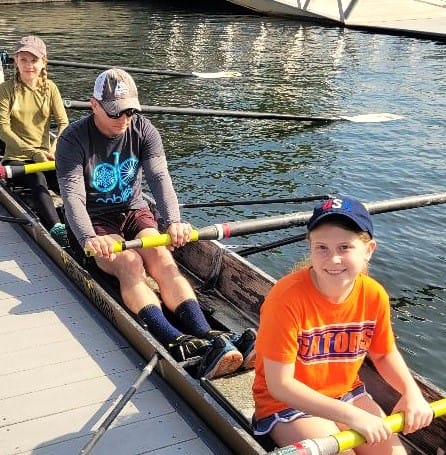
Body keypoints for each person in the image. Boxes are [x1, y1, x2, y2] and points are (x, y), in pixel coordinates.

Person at [55, 67, 256, 379]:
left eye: (130, 112)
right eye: (115, 113)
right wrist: (87, 237)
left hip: (135, 210)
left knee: (163, 258)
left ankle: (209, 334)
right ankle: (174, 340)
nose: (123, 120)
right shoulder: (72, 140)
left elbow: (160, 178)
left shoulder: (143, 129)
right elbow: (71, 197)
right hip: (94, 222)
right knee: (131, 263)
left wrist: (174, 221)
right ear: (93, 104)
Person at [252, 196, 434, 454]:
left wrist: (412, 393)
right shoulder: (285, 298)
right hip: (286, 406)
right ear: (310, 247)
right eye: (322, 248)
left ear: (368, 250)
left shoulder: (374, 294)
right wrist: (352, 417)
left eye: (345, 247)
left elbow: (383, 354)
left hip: (346, 394)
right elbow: (281, 385)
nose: (333, 259)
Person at [0, 35, 69, 247]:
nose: (29, 65)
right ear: (16, 62)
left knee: (69, 179)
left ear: (43, 62)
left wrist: (56, 149)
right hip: (16, 159)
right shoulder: (6, 90)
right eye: (23, 60)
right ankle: (57, 230)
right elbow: (2, 128)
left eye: (34, 60)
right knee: (37, 176)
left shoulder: (51, 89)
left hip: (46, 156)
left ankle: (85, 219)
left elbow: (64, 124)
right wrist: (33, 153)